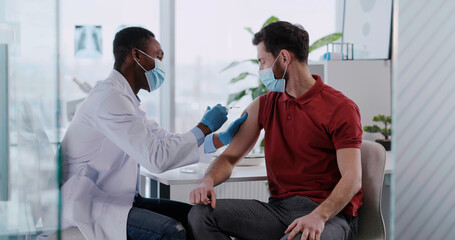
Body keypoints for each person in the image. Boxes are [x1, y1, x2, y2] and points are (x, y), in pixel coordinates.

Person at [60, 26, 247, 240]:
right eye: (158, 57)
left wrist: (216, 139)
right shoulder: (109, 99)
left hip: (120, 199)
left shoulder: (126, 100)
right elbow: (157, 158)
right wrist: (204, 127)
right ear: (136, 55)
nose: (161, 66)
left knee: (196, 216)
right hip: (88, 203)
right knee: (171, 231)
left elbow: (163, 140)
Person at [188, 21, 363, 240]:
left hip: (329, 216)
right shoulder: (264, 105)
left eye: (262, 61)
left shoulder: (340, 107)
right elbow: (230, 157)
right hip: (279, 211)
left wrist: (318, 216)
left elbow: (353, 177)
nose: (260, 69)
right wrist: (207, 180)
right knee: (201, 215)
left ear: (284, 58)